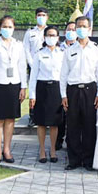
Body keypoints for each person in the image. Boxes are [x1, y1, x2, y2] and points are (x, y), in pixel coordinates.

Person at [60, 16, 98, 171]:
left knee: (88, 126)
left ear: (90, 29)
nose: (81, 29)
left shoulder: (97, 50)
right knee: (72, 126)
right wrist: (63, 95)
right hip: (72, 90)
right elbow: (63, 75)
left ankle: (88, 160)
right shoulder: (69, 50)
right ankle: (73, 160)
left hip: (89, 90)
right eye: (78, 26)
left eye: (84, 26)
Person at [0, 15, 27, 165]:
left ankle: (7, 150)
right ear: (0, 27)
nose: (7, 29)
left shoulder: (19, 45)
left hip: (14, 84)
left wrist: (23, 86)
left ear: (14, 28)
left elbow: (22, 66)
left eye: (10, 27)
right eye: (4, 26)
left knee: (10, 119)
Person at [29, 26, 64, 163]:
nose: (51, 37)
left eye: (54, 35)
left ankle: (53, 150)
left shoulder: (62, 54)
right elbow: (33, 76)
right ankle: (42, 150)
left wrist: (64, 94)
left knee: (55, 123)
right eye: (49, 35)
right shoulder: (38, 54)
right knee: (42, 123)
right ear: (44, 37)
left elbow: (64, 75)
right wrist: (32, 95)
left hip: (57, 88)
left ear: (58, 38)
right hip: (42, 88)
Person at [23, 8, 49, 126]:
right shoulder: (30, 32)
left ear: (47, 17)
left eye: (43, 15)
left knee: (45, 91)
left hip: (47, 67)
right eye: (39, 15)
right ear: (35, 17)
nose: (41, 17)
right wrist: (32, 63)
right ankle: (32, 116)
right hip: (33, 65)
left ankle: (46, 115)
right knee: (33, 90)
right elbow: (26, 49)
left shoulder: (50, 31)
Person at [56, 22, 76, 150]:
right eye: (69, 29)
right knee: (60, 115)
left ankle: (71, 141)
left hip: (73, 84)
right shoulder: (59, 48)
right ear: (64, 32)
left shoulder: (80, 48)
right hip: (60, 84)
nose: (71, 32)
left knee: (72, 115)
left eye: (74, 29)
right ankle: (58, 139)